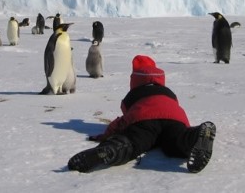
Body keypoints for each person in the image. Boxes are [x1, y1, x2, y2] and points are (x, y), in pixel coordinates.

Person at [68, 55, 216, 173]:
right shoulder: (169, 93)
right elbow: (176, 111)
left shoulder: (134, 96)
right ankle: (195, 136)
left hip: (144, 121)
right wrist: (186, 128)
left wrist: (105, 136)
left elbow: (124, 120)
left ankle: (110, 150)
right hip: (174, 119)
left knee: (133, 142)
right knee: (175, 143)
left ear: (135, 80)